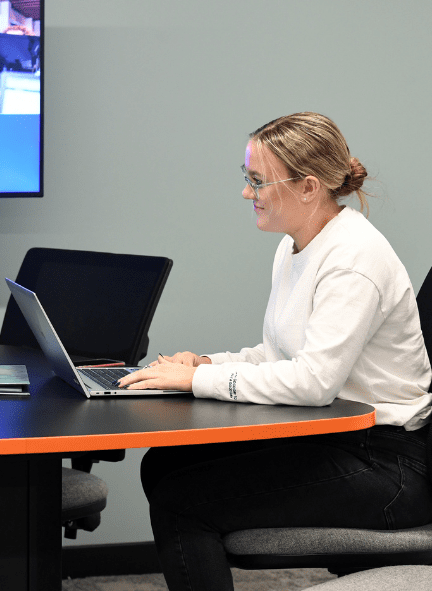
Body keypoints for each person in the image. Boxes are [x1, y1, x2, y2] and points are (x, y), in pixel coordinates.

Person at [116, 112, 432, 591]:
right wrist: (205, 364)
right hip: (332, 437)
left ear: (308, 187)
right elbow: (278, 354)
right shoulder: (296, 245)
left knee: (182, 499)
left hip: (389, 467)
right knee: (163, 463)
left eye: (258, 180)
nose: (247, 192)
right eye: (248, 178)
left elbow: (312, 383)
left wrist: (196, 382)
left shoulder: (353, 261)